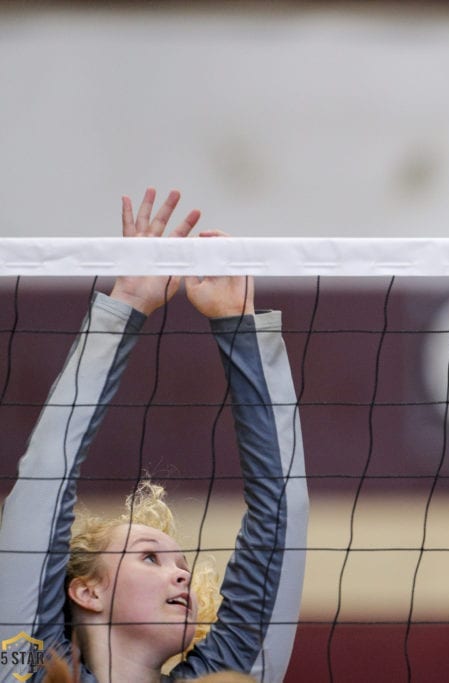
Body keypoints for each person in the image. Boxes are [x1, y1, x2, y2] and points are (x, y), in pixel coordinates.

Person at [0, 188, 309, 683]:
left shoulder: (226, 677)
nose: (184, 574)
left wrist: (240, 327)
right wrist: (126, 303)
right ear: (87, 592)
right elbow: (44, 481)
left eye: (170, 560)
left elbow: (282, 513)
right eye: (150, 557)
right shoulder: (24, 667)